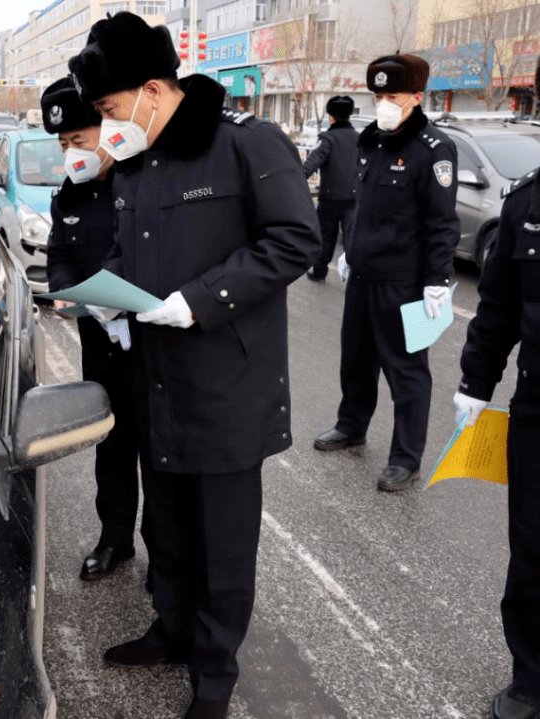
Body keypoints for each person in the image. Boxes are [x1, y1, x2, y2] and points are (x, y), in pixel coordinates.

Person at [67, 12, 321, 719]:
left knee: (222, 543)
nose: (109, 124)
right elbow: (132, 250)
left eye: (112, 108)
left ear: (153, 88)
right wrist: (107, 293)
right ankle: (171, 628)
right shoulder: (139, 163)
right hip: (157, 380)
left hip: (227, 385)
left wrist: (199, 301)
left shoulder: (247, 145)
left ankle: (214, 674)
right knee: (168, 527)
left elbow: (296, 238)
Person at [313, 54, 459, 492]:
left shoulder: (434, 150)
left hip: (406, 284)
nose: (383, 103)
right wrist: (349, 251)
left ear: (416, 96)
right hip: (363, 276)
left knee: (407, 372)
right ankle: (351, 425)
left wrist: (436, 281)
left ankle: (406, 457)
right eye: (377, 95)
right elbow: (364, 206)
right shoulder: (370, 141)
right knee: (355, 361)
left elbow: (442, 223)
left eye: (391, 95)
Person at [454, 58, 540, 719]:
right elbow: (499, 306)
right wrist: (475, 382)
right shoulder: (528, 201)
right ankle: (530, 679)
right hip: (539, 408)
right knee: (533, 551)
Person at [40, 76, 141, 581]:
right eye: (62, 145)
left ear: (108, 129)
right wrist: (62, 288)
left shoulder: (143, 180)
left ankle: (165, 556)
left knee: (161, 452)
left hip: (153, 342)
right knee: (113, 445)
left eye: (78, 141)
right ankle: (114, 541)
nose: (70, 154)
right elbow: (58, 253)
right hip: (99, 342)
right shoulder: (70, 192)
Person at [302, 95, 360, 281]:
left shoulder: (328, 138)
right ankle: (354, 275)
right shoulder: (359, 139)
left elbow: (312, 163)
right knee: (351, 238)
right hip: (354, 198)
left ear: (331, 116)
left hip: (331, 198)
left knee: (326, 236)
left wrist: (297, 178)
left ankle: (319, 272)